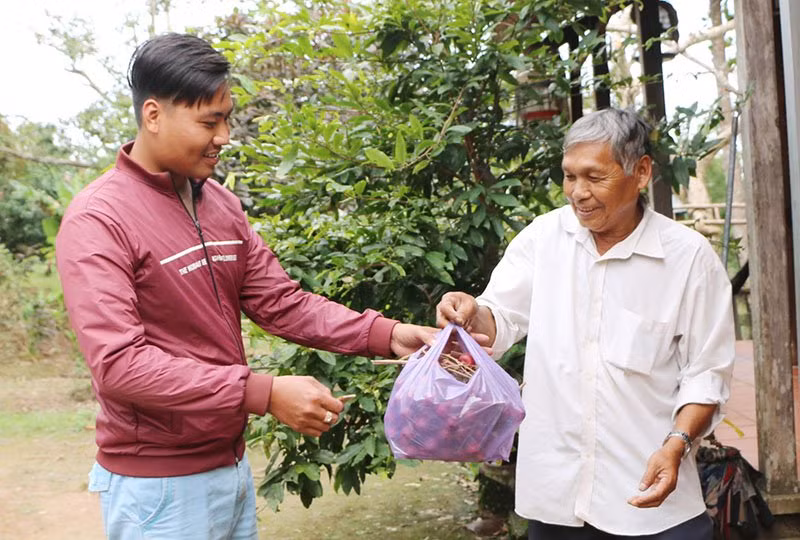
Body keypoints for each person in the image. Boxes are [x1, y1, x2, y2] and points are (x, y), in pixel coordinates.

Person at [55, 33, 443, 540]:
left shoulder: (218, 203)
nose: (224, 135)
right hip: (160, 490)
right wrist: (263, 392)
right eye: (209, 121)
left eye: (227, 118)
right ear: (153, 115)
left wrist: (388, 335)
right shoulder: (99, 218)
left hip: (231, 470)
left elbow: (281, 303)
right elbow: (120, 366)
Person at [437, 108, 734, 539]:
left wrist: (677, 445)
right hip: (557, 503)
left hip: (653, 503)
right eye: (569, 176)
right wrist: (468, 311)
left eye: (595, 177)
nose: (578, 193)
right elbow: (497, 319)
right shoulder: (544, 239)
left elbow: (707, 374)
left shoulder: (688, 260)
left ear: (642, 172)